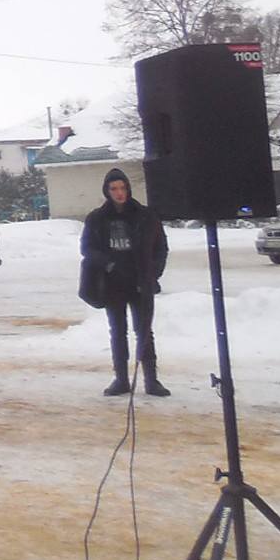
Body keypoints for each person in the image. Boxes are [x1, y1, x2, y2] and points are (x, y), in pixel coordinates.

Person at [80, 168, 170, 397]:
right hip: (112, 283)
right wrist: (107, 263)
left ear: (128, 189)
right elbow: (87, 248)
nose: (119, 193)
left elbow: (161, 248)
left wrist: (152, 274)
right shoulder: (97, 218)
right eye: (114, 189)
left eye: (122, 188)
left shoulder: (146, 216)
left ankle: (151, 380)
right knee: (118, 331)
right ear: (107, 191)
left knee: (144, 330)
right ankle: (121, 379)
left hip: (140, 281)